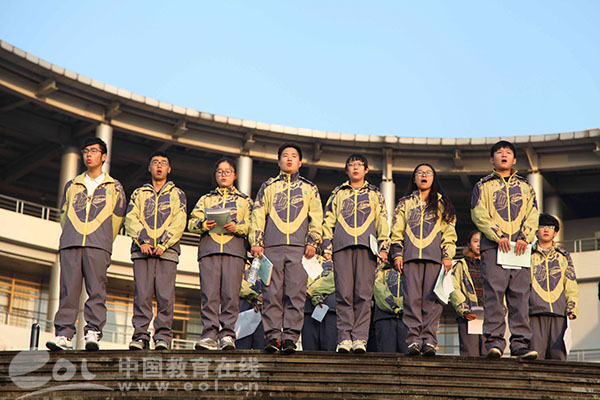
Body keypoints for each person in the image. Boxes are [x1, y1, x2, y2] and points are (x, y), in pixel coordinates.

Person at [46, 137, 126, 351]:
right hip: (71, 243)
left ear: (104, 156)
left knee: (96, 290)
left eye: (94, 151)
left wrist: (104, 238)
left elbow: (118, 218)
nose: (88, 154)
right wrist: (75, 233)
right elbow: (64, 214)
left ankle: (93, 332)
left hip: (98, 245)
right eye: (86, 151)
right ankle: (63, 334)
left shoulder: (114, 187)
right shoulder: (72, 185)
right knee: (68, 290)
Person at [249, 142, 323, 354]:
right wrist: (256, 241)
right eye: (285, 156)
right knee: (271, 293)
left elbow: (317, 217)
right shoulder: (268, 187)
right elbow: (257, 214)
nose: (289, 159)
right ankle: (272, 336)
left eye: (293, 156)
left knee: (295, 293)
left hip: (300, 249)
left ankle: (290, 337)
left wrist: (313, 241)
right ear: (279, 160)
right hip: (271, 247)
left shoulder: (309, 189)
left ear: (300, 162)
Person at [471, 140, 539, 360]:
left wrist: (525, 237)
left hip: (519, 248)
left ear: (514, 159)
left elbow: (533, 214)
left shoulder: (526, 187)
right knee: (494, 295)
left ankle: (520, 344)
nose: (503, 155)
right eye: (499, 153)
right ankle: (494, 342)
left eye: (507, 153)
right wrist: (497, 234)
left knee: (520, 296)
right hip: (494, 247)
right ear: (492, 159)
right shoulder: (483, 185)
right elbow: (478, 213)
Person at [322, 153, 389, 353]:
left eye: (359, 165)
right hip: (342, 248)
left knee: (363, 295)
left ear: (366, 170)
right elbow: (328, 221)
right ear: (347, 170)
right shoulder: (338, 193)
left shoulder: (375, 194)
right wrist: (326, 246)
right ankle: (344, 338)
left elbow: (382, 221)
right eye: (351, 165)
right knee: (344, 294)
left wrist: (384, 247)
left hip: (367, 249)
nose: (355, 168)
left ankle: (360, 338)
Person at [390, 163, 457, 356]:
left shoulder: (443, 204)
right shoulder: (405, 203)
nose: (424, 176)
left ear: (433, 178)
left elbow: (449, 232)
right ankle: (413, 340)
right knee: (412, 300)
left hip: (435, 259)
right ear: (414, 178)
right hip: (410, 259)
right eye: (419, 173)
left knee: (432, 302)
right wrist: (397, 254)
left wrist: (447, 255)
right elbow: (397, 231)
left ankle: (429, 340)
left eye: (428, 173)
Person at [124, 151, 187, 350]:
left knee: (165, 296)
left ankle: (163, 337)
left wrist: (164, 243)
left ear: (169, 169)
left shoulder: (178, 194)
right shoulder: (138, 193)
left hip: (167, 253)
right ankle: (140, 336)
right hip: (142, 251)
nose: (159, 166)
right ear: (149, 167)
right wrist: (142, 240)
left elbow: (180, 220)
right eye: (155, 163)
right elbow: (130, 218)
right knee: (142, 295)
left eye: (163, 163)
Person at [188, 157, 253, 351]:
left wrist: (237, 226)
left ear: (235, 175)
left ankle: (227, 335)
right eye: (220, 172)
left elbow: (253, 224)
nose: (223, 175)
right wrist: (202, 224)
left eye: (227, 171)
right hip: (209, 251)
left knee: (230, 296)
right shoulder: (205, 199)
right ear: (215, 176)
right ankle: (209, 334)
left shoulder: (244, 201)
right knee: (209, 295)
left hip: (235, 252)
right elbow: (191, 222)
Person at [529, 213, 579, 360]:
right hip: (534, 312)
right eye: (542, 226)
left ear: (555, 232)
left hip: (559, 313)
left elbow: (570, 283)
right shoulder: (527, 255)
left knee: (558, 356)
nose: (546, 230)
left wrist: (572, 306)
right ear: (536, 230)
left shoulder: (563, 256)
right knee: (535, 356)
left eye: (550, 227)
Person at [450, 230, 486, 357]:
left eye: (481, 241)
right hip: (469, 316)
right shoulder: (461, 264)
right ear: (469, 244)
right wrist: (463, 309)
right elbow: (454, 287)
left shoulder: (491, 264)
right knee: (470, 354)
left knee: (489, 355)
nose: (478, 245)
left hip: (488, 316)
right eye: (475, 241)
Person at [302, 255, 336, 351]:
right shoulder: (303, 256)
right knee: (309, 354)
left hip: (331, 308)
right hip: (308, 309)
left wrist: (313, 291)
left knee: (329, 355)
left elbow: (340, 276)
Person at [373, 266, 408, 354]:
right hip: (384, 317)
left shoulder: (411, 266)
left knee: (409, 358)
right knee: (386, 357)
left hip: (408, 319)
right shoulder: (381, 266)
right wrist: (393, 306)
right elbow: (378, 288)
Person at [235, 261, 265, 350]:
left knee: (262, 349)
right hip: (243, 311)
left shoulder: (268, 261)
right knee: (241, 348)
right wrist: (257, 295)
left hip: (263, 312)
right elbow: (234, 285)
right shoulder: (238, 261)